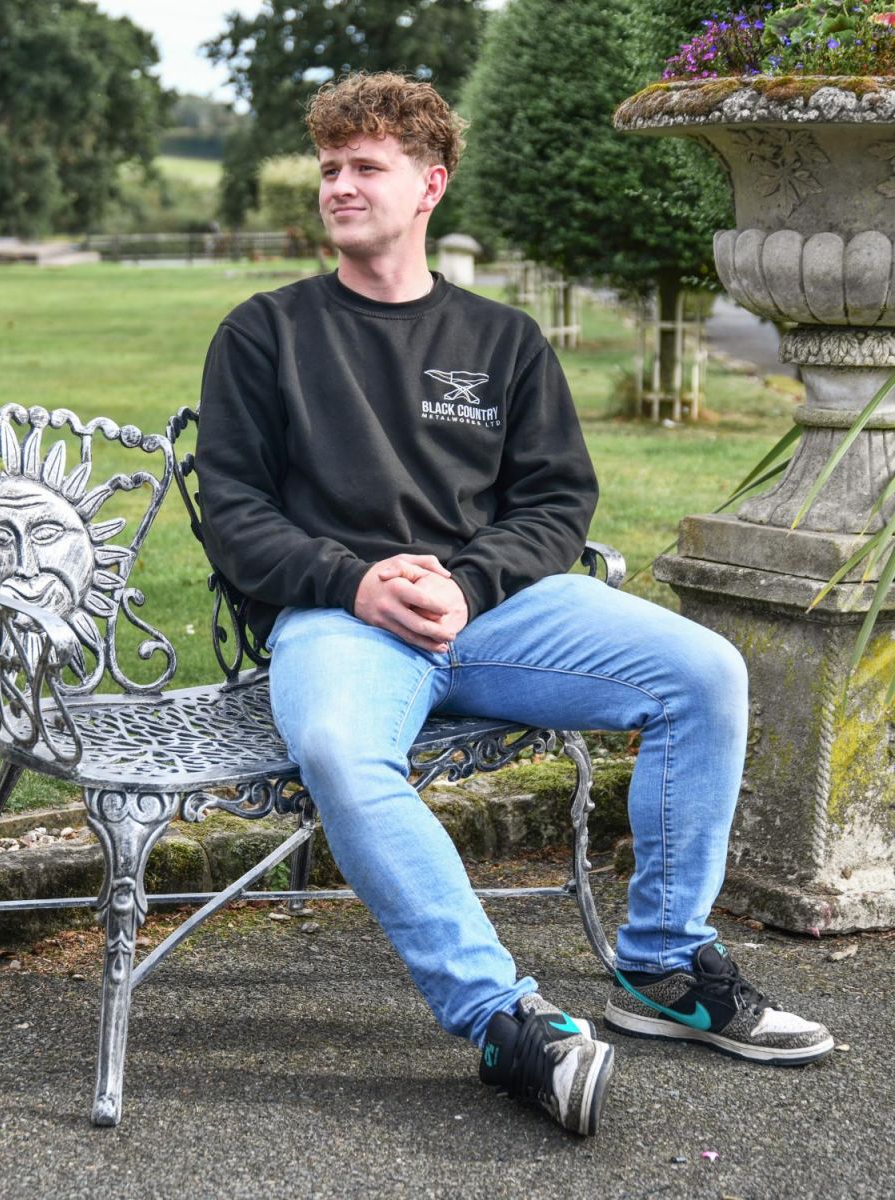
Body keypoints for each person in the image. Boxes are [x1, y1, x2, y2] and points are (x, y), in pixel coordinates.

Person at [194, 72, 834, 1137]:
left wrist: (467, 581)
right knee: (341, 749)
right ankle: (503, 1019)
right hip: (340, 617)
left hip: (491, 612)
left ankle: (666, 970)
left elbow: (555, 502)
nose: (340, 187)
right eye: (330, 169)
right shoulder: (266, 335)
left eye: (366, 168)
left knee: (706, 671)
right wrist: (355, 580)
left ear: (430, 183)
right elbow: (235, 516)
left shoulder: (500, 342)